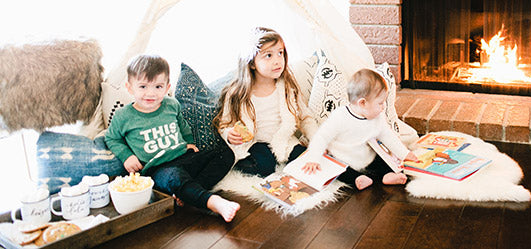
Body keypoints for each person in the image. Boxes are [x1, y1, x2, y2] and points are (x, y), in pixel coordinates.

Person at [105, 55, 240, 222]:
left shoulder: (171, 104)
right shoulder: (123, 116)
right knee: (175, 177)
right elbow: (111, 138)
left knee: (224, 153)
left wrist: (189, 142)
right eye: (143, 86)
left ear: (167, 87)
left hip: (184, 157)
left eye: (158, 86)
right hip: (158, 168)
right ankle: (212, 202)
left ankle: (188, 192)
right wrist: (127, 156)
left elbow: (183, 125)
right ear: (130, 88)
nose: (150, 93)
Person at [216, 27, 317, 176]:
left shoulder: (287, 87)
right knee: (264, 167)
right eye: (268, 55)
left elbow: (305, 117)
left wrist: (316, 138)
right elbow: (224, 123)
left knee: (309, 159)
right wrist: (229, 133)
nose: (277, 61)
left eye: (280, 53)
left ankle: (356, 177)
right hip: (255, 144)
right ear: (251, 63)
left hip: (284, 141)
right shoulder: (237, 93)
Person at [302, 68, 419, 190]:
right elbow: (322, 137)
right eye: (380, 103)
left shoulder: (377, 117)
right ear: (362, 103)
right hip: (343, 158)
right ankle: (357, 179)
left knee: (381, 159)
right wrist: (313, 158)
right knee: (337, 169)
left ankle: (387, 175)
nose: (383, 107)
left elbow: (388, 136)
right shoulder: (340, 117)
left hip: (366, 157)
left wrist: (404, 154)